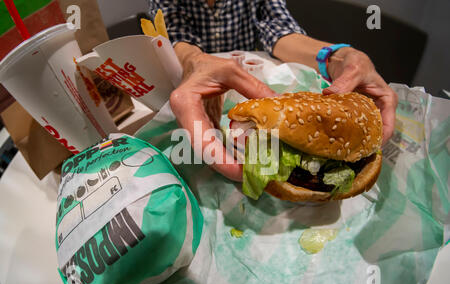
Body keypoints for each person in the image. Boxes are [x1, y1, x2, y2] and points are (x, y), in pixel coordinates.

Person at [147, 0, 398, 182]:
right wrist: (194, 60)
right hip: (200, 102)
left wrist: (336, 57)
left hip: (258, 87)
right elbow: (176, 39)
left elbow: (280, 32)